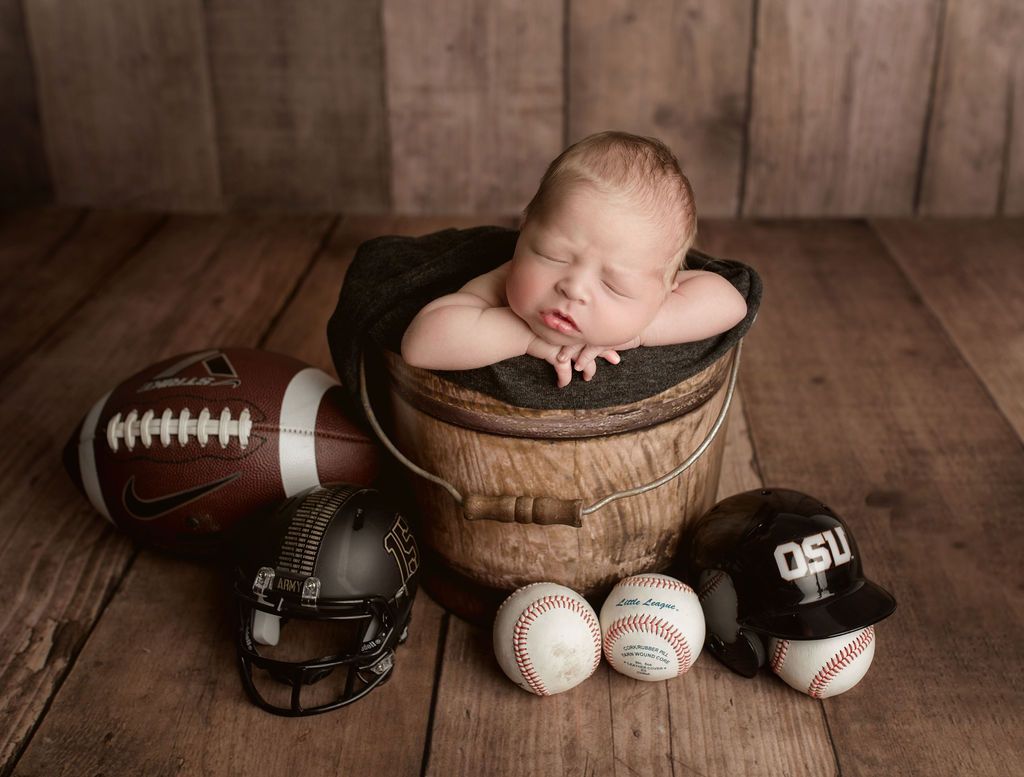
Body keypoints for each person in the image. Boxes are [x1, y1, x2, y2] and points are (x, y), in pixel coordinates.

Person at [401, 131, 747, 388]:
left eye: (614, 285)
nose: (574, 287)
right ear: (523, 235)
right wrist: (524, 336)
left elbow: (731, 302)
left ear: (664, 292)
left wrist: (640, 330)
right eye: (552, 255)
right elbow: (421, 345)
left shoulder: (651, 302)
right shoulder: (500, 284)